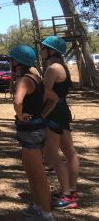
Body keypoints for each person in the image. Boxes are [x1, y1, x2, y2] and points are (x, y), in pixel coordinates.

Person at [9, 44, 57, 221]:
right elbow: (53, 99)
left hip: (30, 132)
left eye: (12, 60)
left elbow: (17, 101)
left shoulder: (24, 81)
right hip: (36, 129)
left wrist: (20, 114)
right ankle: (38, 206)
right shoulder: (37, 78)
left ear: (18, 61)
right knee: (30, 170)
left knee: (38, 174)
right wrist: (42, 115)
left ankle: (46, 215)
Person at [40, 36, 80, 210]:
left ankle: (66, 195)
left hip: (54, 113)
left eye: (43, 47)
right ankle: (71, 190)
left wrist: (41, 114)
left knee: (54, 155)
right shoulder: (62, 67)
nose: (41, 50)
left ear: (51, 50)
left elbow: (45, 94)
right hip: (63, 111)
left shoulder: (51, 69)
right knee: (69, 152)